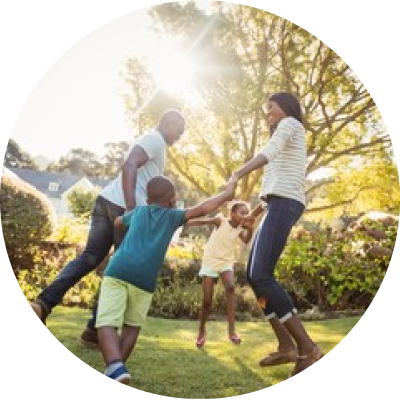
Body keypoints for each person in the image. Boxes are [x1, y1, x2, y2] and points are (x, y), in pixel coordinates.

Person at [30, 109, 186, 347]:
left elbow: (132, 167)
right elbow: (129, 165)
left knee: (91, 257)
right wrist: (132, 207)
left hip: (106, 201)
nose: (180, 135)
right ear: (166, 122)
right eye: (179, 129)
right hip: (123, 209)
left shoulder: (150, 141)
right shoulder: (155, 140)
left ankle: (43, 305)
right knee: (118, 271)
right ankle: (93, 331)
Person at [96, 175, 236, 384]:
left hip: (119, 271)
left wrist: (125, 217)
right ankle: (116, 370)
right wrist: (226, 194)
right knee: (132, 326)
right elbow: (203, 208)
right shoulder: (173, 216)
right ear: (171, 199)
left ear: (148, 198)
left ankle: (115, 365)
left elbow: (117, 222)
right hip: (144, 280)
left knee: (106, 322)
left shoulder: (139, 212)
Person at [227, 92, 324, 377]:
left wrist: (237, 173)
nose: (267, 112)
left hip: (285, 205)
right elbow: (277, 181)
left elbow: (268, 154)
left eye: (271, 107)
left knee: (262, 275)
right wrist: (256, 213)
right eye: (265, 108)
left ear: (286, 107)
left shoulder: (290, 124)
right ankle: (286, 344)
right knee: (253, 276)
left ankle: (307, 348)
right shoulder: (286, 130)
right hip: (276, 205)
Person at [186, 201, 264, 348]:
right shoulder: (220, 221)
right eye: (242, 212)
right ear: (232, 213)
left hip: (226, 261)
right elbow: (203, 220)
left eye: (246, 213)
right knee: (207, 301)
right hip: (210, 261)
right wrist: (184, 221)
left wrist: (251, 229)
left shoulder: (241, 227)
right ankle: (202, 331)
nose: (245, 215)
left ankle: (232, 331)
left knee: (230, 288)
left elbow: (246, 240)